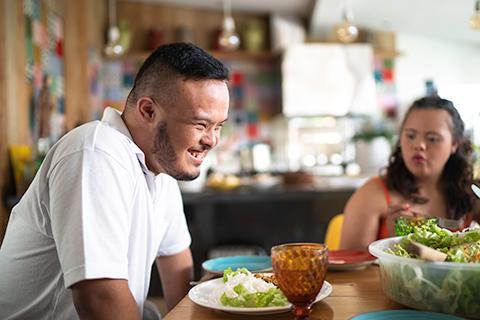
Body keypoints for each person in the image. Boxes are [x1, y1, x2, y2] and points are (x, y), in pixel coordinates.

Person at [0, 43, 230, 319]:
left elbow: (176, 264)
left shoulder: (160, 170)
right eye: (200, 124)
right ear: (147, 111)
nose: (212, 140)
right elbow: (99, 297)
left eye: (218, 127)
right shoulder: (95, 152)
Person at [341, 96, 478, 250]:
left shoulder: (471, 196)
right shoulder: (371, 194)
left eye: (432, 139)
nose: (419, 145)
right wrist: (393, 243)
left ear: (454, 144)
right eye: (411, 136)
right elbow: (351, 269)